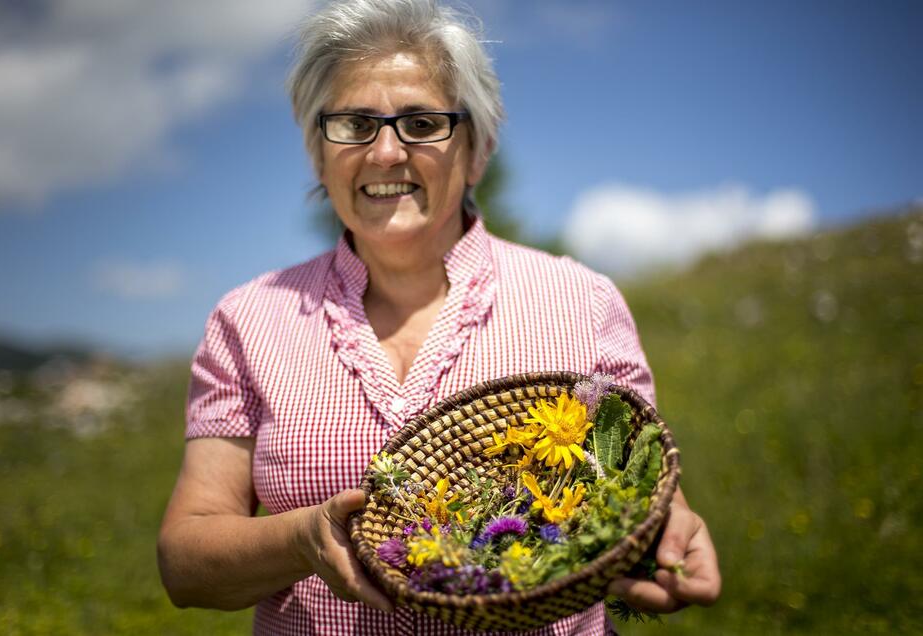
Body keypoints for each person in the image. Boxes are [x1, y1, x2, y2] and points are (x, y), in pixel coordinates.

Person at [156, 0, 721, 634]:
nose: (386, 153)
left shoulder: (581, 302)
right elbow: (185, 563)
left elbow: (647, 497)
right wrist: (300, 540)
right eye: (354, 123)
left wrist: (667, 537)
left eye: (423, 123)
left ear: (477, 150)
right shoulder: (250, 320)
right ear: (319, 153)